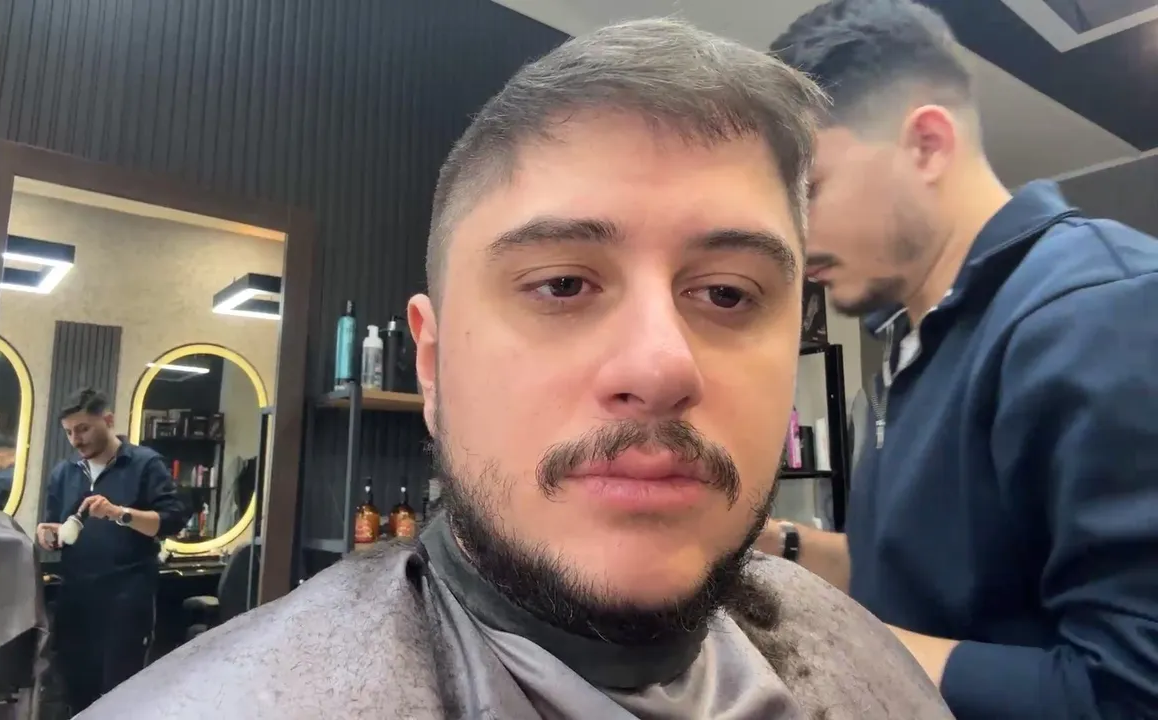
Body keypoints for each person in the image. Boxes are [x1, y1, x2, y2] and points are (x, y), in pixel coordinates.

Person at [77, 19, 950, 719]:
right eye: (563, 284)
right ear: (432, 364)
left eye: (726, 293)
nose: (659, 366)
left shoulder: (865, 663)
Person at [759, 1, 1158, 718]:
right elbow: (921, 576)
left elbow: (1131, 691)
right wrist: (774, 548)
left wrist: (837, 646)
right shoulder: (912, 344)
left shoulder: (1101, 311)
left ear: (927, 145)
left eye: (810, 191)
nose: (794, 236)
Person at [36, 388, 190, 714]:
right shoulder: (64, 472)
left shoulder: (145, 464)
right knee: (76, 695)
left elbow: (171, 521)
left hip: (126, 598)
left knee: (120, 697)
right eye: (69, 432)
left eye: (83, 429)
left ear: (107, 420)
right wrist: (48, 534)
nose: (76, 440)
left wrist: (120, 513)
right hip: (76, 597)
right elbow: (57, 525)